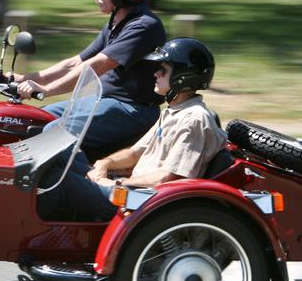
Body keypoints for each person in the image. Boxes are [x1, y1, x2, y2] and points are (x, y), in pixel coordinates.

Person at [37, 37, 228, 222]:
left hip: (142, 201)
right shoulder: (174, 111)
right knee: (59, 155)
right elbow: (135, 152)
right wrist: (104, 164)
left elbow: (170, 178)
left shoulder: (194, 119)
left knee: (59, 180)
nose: (155, 74)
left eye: (163, 70)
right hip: (129, 189)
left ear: (182, 77)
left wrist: (117, 184)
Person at [14, 0, 166, 155]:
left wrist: (46, 89)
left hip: (132, 109)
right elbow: (75, 62)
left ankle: (74, 183)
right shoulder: (118, 20)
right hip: (104, 101)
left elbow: (97, 65)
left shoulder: (143, 26)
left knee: (54, 133)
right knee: (36, 117)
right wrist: (24, 78)